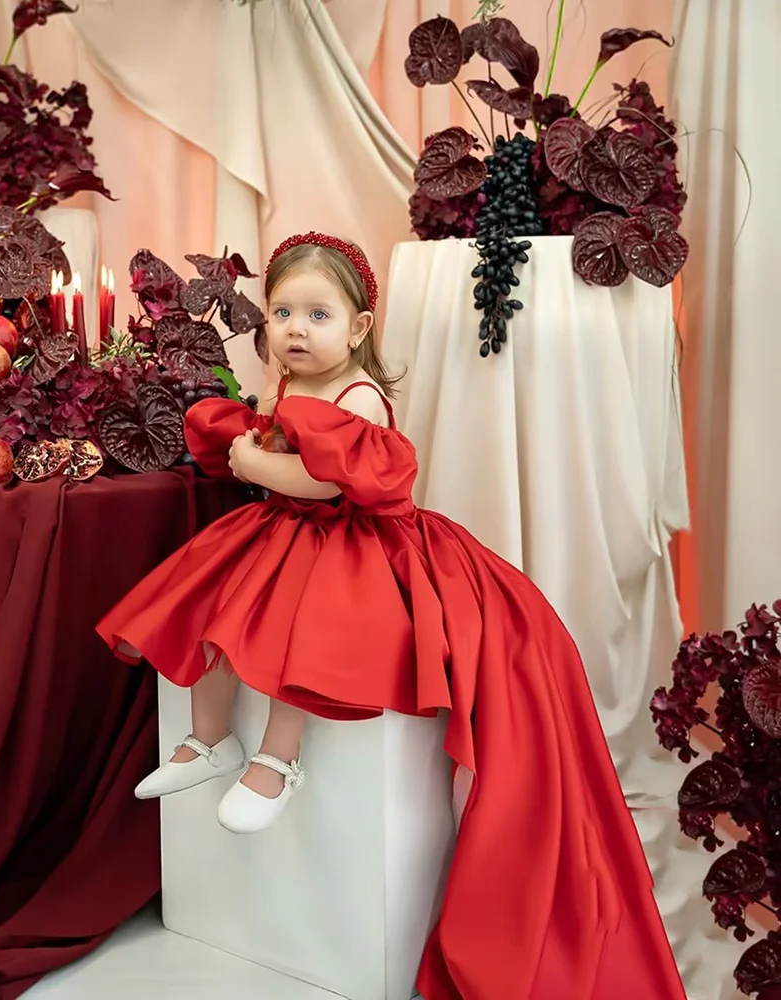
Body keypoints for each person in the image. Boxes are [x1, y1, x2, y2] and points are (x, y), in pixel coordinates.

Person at [96, 232, 686, 999]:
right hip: (285, 530)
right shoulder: (289, 389)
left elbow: (326, 487)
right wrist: (251, 448)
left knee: (295, 632)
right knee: (211, 610)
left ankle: (280, 757)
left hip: (354, 541)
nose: (296, 329)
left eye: (317, 313)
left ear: (360, 328)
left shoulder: (359, 398)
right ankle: (208, 738)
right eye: (281, 312)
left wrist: (251, 461)